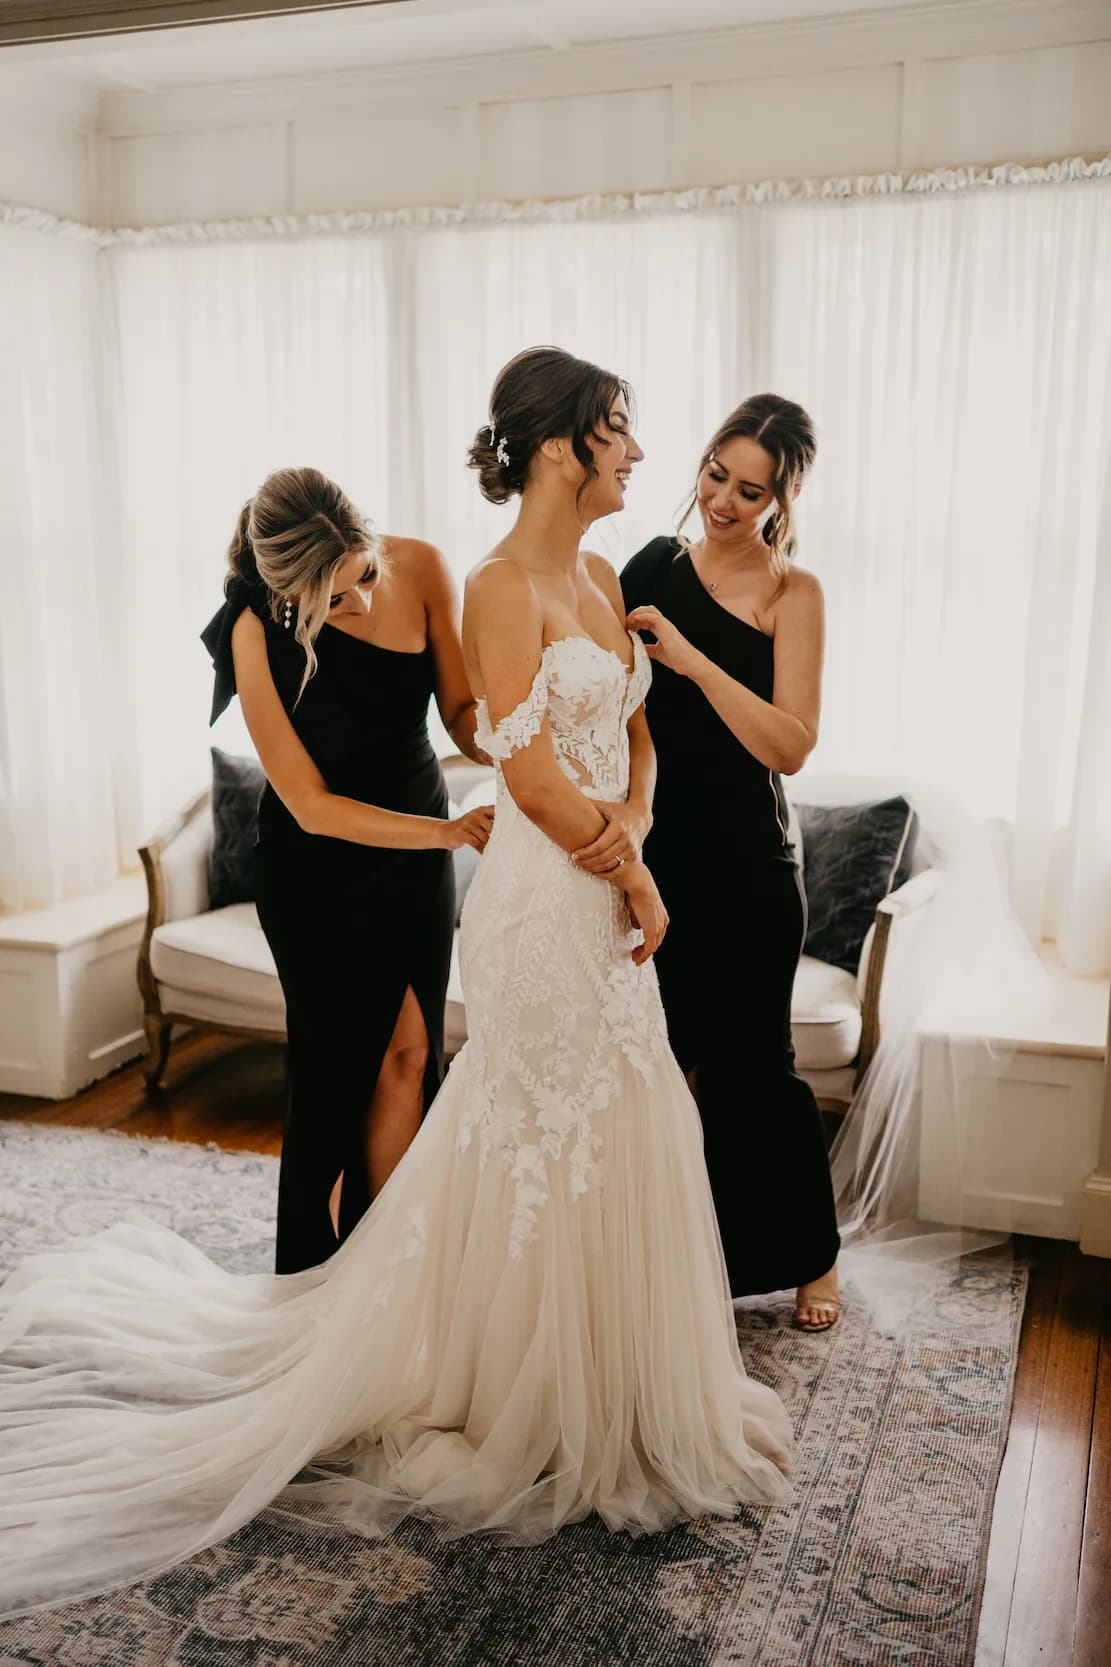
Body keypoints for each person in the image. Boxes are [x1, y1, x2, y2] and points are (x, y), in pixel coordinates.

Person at [0, 354, 790, 1620]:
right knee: (446, 1100)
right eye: (621, 432)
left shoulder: (570, 574)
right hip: (437, 886)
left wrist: (622, 825)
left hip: (541, 870)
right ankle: (379, 1314)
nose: (642, 453)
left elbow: (570, 724)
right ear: (557, 448)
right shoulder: (396, 602)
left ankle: (574, 1366)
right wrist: (602, 862)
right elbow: (454, 783)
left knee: (538, 1096)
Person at [201, 468, 493, 1272]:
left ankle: (388, 1276)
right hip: (317, 872)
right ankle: (321, 1284)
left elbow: (464, 715)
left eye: (363, 575)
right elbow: (307, 803)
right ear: (286, 590)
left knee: (410, 1055)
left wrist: (514, 738)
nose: (358, 604)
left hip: (416, 863)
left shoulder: (426, 567)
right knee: (335, 1077)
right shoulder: (253, 627)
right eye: (330, 603)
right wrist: (443, 833)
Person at [612, 395, 842, 1330]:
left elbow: (789, 744)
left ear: (781, 499)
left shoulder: (796, 593)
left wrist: (698, 662)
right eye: (715, 475)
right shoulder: (649, 566)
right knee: (660, 1063)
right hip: (658, 862)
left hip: (750, 865)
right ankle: (682, 1252)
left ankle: (812, 1258)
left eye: (750, 490)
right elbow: (615, 705)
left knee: (759, 1069)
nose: (723, 501)